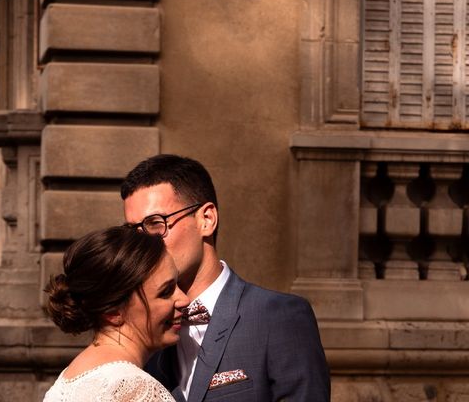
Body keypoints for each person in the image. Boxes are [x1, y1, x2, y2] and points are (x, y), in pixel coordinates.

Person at [121, 154, 330, 401]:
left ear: (207, 220)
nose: (143, 244)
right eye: (133, 233)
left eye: (156, 224)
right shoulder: (144, 326)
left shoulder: (277, 317)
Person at [43, 225, 190, 401]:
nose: (184, 300)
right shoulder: (135, 389)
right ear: (113, 311)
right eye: (165, 292)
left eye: (178, 284)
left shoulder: (69, 379)